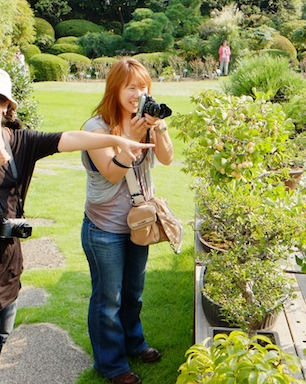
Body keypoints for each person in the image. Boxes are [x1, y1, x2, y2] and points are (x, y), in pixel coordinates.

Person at [0, 65, 153, 384]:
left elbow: (69, 138)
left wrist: (117, 140)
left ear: (5, 105)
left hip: (6, 259)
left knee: (1, 338)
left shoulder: (20, 141)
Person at [80, 58, 174, 384]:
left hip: (139, 225)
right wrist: (130, 137)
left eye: (143, 87)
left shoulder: (145, 121)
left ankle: (134, 343)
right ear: (115, 90)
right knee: (108, 299)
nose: (138, 94)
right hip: (103, 228)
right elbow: (111, 172)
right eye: (130, 87)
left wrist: (157, 127)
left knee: (133, 292)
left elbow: (167, 158)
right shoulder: (96, 128)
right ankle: (111, 364)